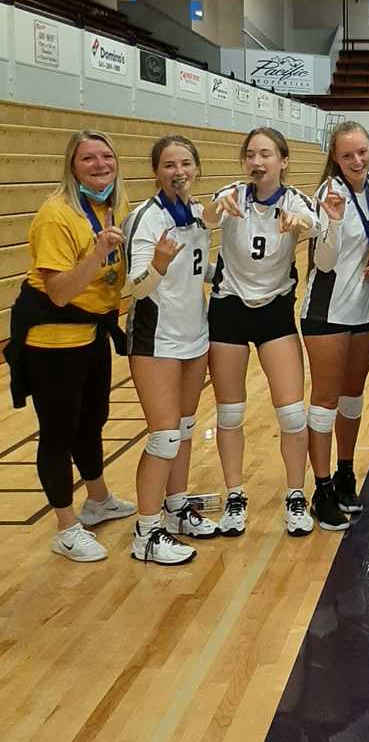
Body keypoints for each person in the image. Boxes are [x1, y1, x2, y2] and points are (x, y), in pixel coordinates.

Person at [5, 130, 135, 561]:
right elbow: (59, 292)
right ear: (72, 167)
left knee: (92, 421)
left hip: (92, 331)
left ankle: (98, 499)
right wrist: (96, 254)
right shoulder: (56, 215)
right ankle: (65, 526)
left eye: (106, 157)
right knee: (59, 431)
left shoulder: (115, 205)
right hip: (53, 338)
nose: (100, 165)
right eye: (88, 159)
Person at [203, 127, 319, 538]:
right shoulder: (231, 194)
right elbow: (207, 217)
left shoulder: (295, 200)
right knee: (230, 412)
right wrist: (215, 209)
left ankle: (295, 495)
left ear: (283, 161)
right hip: (229, 307)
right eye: (251, 154)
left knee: (291, 413)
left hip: (274, 310)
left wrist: (300, 222)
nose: (257, 162)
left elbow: (315, 224)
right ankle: (235, 495)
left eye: (266, 154)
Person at [123, 135, 220, 564]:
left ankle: (177, 508)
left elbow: (197, 269)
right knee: (163, 437)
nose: (178, 172)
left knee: (182, 428)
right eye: (168, 165)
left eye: (185, 164)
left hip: (194, 334)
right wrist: (159, 264)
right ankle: (146, 533)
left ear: (195, 168)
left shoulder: (197, 214)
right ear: (155, 172)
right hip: (155, 339)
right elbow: (135, 287)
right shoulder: (145, 218)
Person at [301, 121, 369, 531]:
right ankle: (321, 488)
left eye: (362, 151)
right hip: (327, 311)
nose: (357, 160)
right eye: (347, 154)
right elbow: (323, 261)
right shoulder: (328, 194)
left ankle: (345, 473)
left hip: (365, 309)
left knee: (353, 398)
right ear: (335, 158)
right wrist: (333, 223)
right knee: (325, 399)